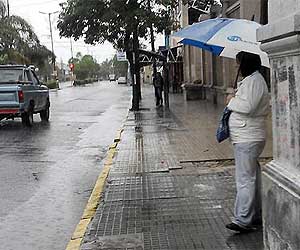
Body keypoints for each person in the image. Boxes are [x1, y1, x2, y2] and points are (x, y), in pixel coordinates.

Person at [225, 51, 270, 232]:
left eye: (238, 63)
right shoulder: (252, 80)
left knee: (245, 179)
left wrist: (231, 100)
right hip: (247, 136)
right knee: (252, 176)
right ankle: (256, 214)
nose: (236, 66)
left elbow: (248, 107)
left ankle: (242, 219)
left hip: (248, 137)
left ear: (246, 63)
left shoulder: (254, 81)